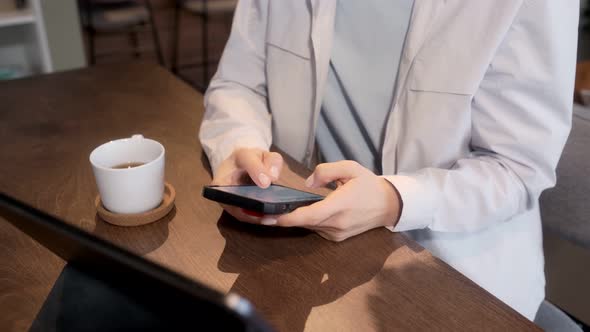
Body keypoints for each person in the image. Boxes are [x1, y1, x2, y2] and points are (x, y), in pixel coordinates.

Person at [199, 0, 578, 321]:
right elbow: (240, 83)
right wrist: (238, 149)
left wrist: (393, 199)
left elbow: (515, 167)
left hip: (456, 277)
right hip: (312, 251)